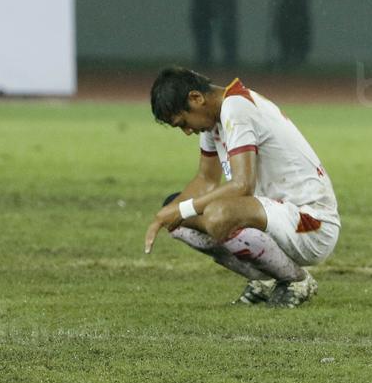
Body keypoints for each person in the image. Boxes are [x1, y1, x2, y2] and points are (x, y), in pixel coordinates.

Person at [144, 67, 340, 307]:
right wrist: (169, 214)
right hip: (275, 217)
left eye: (183, 122)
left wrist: (183, 211)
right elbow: (205, 180)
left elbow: (242, 184)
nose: (187, 131)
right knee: (175, 212)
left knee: (218, 215)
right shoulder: (215, 118)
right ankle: (265, 278)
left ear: (196, 98)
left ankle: (296, 280)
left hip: (311, 223)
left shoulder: (236, 108)